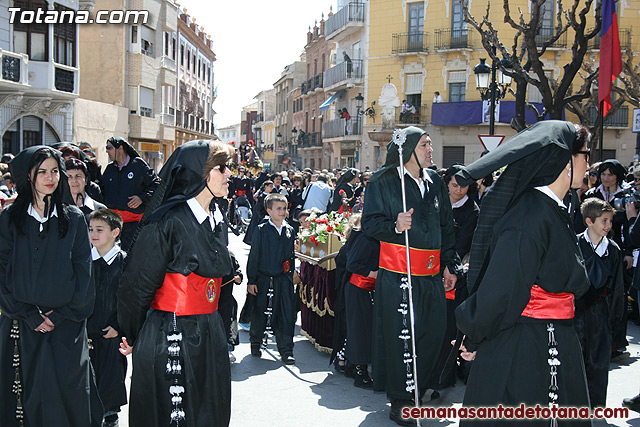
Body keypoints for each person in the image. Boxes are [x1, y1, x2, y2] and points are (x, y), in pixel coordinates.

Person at [453, 121, 593, 425]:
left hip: (553, 339)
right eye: (586, 154)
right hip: (522, 347)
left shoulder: (554, 208)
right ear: (565, 161)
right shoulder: (530, 215)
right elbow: (502, 288)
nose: (589, 164)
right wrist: (474, 334)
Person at [117, 140, 234, 427]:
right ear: (199, 173)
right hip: (172, 332)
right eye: (221, 167)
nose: (229, 173)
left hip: (209, 330)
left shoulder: (217, 217)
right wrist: (134, 334)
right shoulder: (166, 221)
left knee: (209, 410)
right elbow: (137, 285)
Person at [362, 126, 460, 425]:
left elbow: (447, 227)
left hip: (431, 275)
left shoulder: (436, 183)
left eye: (431, 144)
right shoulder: (383, 181)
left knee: (431, 332)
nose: (431, 150)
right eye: (425, 145)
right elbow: (369, 224)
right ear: (407, 150)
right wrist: (394, 224)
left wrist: (449, 263)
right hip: (398, 274)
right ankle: (401, 399)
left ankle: (418, 387)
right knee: (401, 336)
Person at [0, 146, 98, 427]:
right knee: (25, 401)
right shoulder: (10, 219)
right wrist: (29, 314)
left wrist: (63, 315)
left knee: (67, 401)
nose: (50, 177)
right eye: (42, 171)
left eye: (55, 171)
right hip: (22, 327)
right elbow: (2, 271)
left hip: (66, 328)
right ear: (28, 176)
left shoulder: (75, 218)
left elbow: (83, 272)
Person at [575, 198, 625, 408]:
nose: (608, 225)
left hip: (600, 309)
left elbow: (617, 289)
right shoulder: (575, 244)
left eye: (610, 221)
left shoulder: (613, 250)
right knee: (575, 358)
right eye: (604, 221)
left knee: (598, 359)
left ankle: (596, 405)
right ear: (589, 221)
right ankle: (574, 405)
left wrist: (616, 324)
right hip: (576, 309)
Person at [87, 209, 128, 427]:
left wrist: (119, 327)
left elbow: (129, 299)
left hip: (112, 332)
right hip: (88, 329)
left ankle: (111, 413)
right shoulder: (84, 260)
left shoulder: (124, 262)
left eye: (99, 230)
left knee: (112, 373)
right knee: (88, 374)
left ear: (115, 232)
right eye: (91, 229)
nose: (93, 234)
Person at [247, 193, 296, 365]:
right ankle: (256, 342)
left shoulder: (290, 230)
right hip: (263, 277)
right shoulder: (261, 230)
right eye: (278, 209)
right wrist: (251, 280)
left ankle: (286, 349)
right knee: (259, 310)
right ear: (269, 211)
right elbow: (254, 256)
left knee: (285, 313)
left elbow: (291, 256)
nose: (282, 212)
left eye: (284, 208)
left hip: (283, 279)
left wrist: (291, 275)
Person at [101, 137, 160, 251]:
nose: (107, 151)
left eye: (109, 148)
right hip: (111, 224)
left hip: (133, 225)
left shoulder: (138, 165)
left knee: (130, 258)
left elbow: (156, 184)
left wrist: (142, 198)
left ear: (120, 148)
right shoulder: (109, 169)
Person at [343, 212, 380, 389]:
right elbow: (352, 264)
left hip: (365, 290)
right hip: (359, 289)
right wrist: (372, 273)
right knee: (360, 330)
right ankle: (360, 372)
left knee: (362, 329)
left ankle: (352, 366)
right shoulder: (366, 238)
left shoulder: (369, 237)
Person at [219, 251, 243, 363]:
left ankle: (227, 349)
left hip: (225, 297)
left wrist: (238, 277)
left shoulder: (229, 255)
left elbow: (237, 271)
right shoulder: (203, 251)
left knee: (227, 324)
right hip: (208, 298)